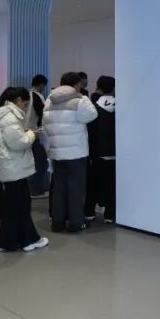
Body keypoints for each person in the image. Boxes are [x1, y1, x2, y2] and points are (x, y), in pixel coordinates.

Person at [0, 88, 48, 253]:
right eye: (25, 104)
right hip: (13, 166)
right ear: (19, 100)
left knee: (14, 206)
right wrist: (31, 134)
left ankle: (9, 242)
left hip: (10, 166)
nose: (26, 107)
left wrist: (26, 133)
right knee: (20, 205)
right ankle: (27, 240)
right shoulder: (10, 117)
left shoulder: (3, 115)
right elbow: (18, 143)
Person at [43, 72, 97, 232]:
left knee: (58, 188)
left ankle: (57, 223)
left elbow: (45, 124)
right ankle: (76, 223)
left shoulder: (49, 100)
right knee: (76, 189)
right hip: (76, 152)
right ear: (77, 84)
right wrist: (83, 97)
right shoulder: (79, 99)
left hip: (56, 151)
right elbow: (92, 114)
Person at [88, 93, 117, 224]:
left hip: (98, 153)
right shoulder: (121, 106)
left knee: (93, 184)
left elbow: (91, 133)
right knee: (111, 186)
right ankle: (109, 215)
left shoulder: (94, 108)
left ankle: (89, 212)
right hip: (115, 153)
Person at [28, 75, 50, 198]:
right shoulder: (37, 96)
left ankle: (31, 189)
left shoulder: (25, 95)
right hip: (34, 133)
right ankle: (36, 190)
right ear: (41, 85)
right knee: (40, 162)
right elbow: (44, 115)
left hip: (22, 133)